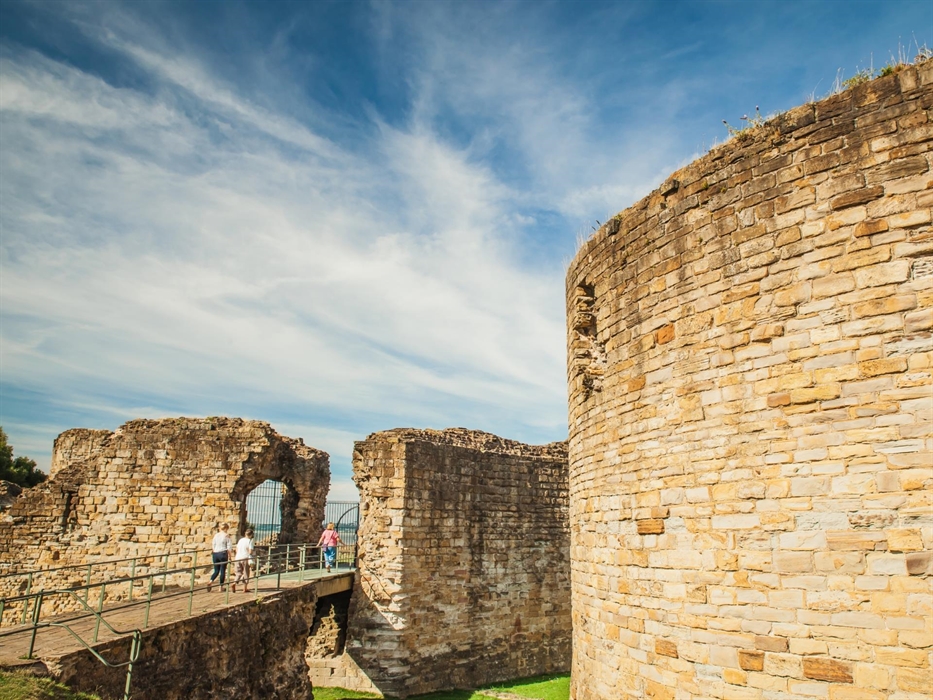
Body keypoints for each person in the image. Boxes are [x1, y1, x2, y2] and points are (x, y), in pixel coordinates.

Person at [208, 523, 233, 592]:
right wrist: (230, 556)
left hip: (215, 554)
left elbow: (213, 544)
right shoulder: (226, 536)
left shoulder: (216, 535)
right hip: (223, 553)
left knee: (216, 570)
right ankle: (220, 587)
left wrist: (214, 552)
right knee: (222, 571)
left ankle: (211, 581)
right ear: (226, 528)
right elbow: (229, 547)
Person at [232, 528, 254, 593]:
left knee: (238, 572)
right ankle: (245, 588)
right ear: (251, 535)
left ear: (245, 534)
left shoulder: (240, 540)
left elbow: (236, 549)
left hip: (238, 558)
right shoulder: (250, 541)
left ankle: (234, 583)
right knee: (246, 572)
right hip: (245, 558)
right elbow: (250, 551)